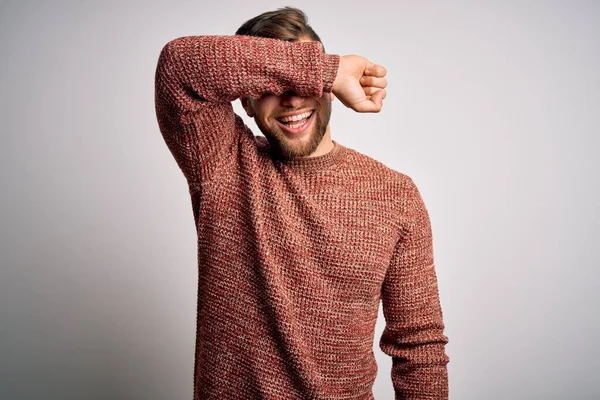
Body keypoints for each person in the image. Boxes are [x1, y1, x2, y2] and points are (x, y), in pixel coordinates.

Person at [154, 6, 449, 400]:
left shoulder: (396, 195)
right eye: (273, 83)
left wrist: (321, 73)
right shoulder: (222, 164)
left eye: (305, 82)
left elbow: (419, 347)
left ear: (328, 89)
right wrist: (323, 70)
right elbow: (178, 66)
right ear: (244, 101)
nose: (291, 99)